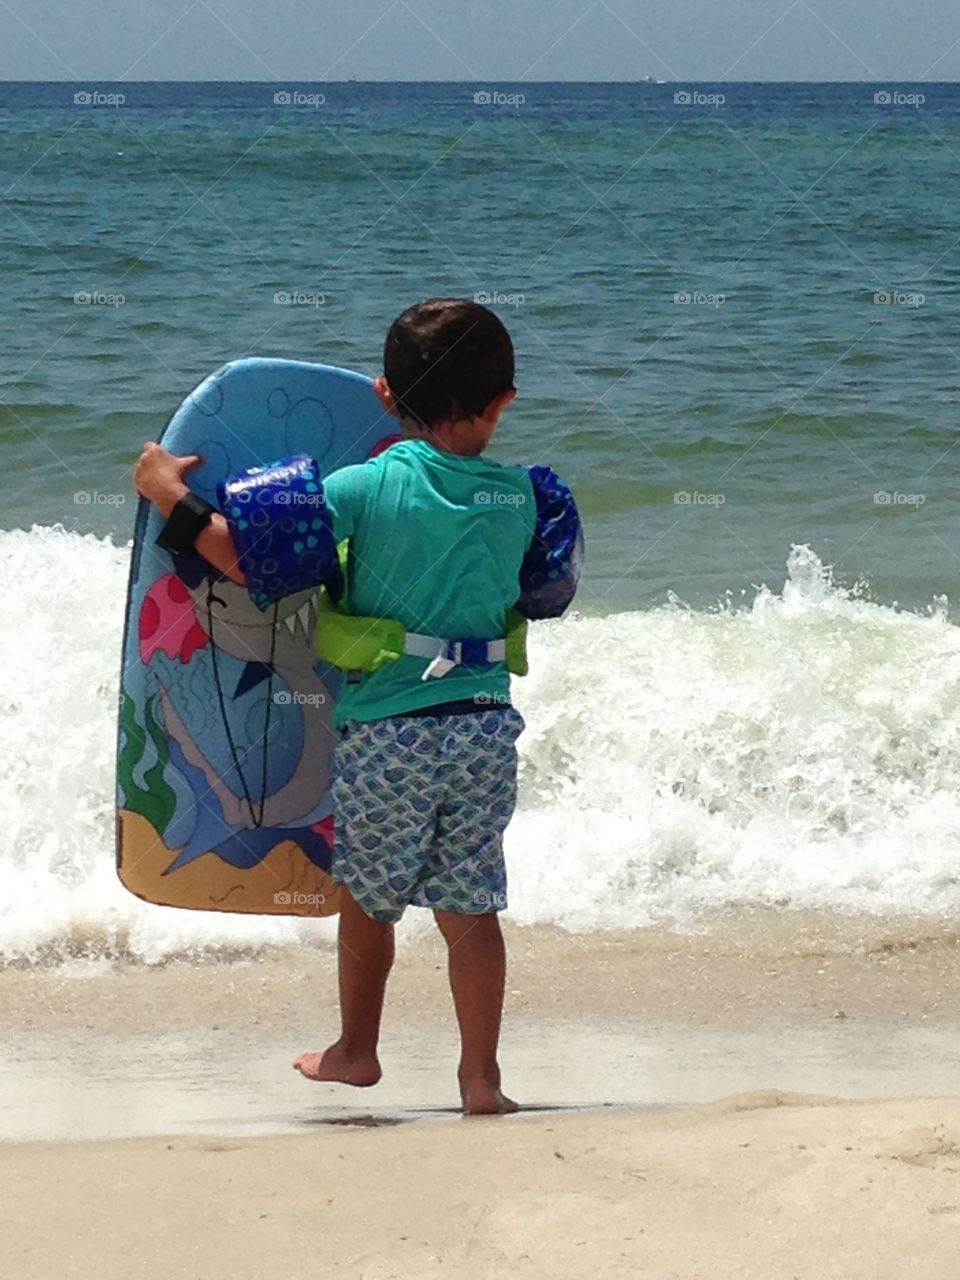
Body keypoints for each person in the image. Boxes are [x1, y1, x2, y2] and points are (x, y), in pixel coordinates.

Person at [134, 298, 582, 1114]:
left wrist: (170, 493)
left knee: (368, 901)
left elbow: (246, 561)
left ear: (381, 395)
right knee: (470, 906)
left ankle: (356, 1051)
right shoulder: (522, 500)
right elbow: (538, 591)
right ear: (504, 402)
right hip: (484, 729)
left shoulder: (363, 487)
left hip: (390, 734)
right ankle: (481, 1079)